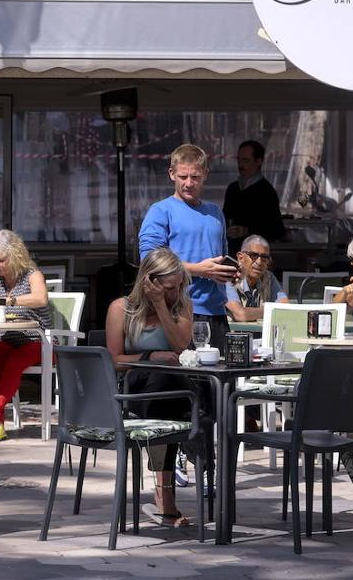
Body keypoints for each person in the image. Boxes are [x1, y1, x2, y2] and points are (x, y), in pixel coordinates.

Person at [104, 247, 195, 527]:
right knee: (164, 382)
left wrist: (162, 306)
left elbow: (181, 346)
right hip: (134, 386)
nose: (174, 292)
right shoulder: (121, 309)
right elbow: (114, 360)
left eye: (179, 285)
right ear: (149, 282)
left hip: (175, 387)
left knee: (186, 388)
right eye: (169, 287)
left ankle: (172, 475)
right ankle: (165, 492)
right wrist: (149, 356)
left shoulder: (181, 306)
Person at [138, 143, 238, 347]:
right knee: (188, 377)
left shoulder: (215, 212)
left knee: (223, 378)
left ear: (206, 175)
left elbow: (222, 256)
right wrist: (200, 270)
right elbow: (148, 263)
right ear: (172, 174)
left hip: (217, 312)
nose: (189, 183)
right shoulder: (160, 211)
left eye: (195, 177)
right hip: (176, 312)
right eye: (183, 177)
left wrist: (230, 272)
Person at [0, 229, 52, 442]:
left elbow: (41, 299)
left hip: (38, 341)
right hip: (8, 339)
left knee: (13, 363)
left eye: (1, 260)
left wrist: (9, 301)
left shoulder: (32, 275)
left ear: (15, 256)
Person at [222, 140, 285, 255]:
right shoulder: (233, 188)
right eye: (239, 160)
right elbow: (225, 217)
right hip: (232, 253)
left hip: (255, 258)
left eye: (245, 160)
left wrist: (247, 230)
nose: (240, 165)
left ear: (258, 161)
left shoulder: (266, 192)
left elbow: (276, 229)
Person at [224, 234, 288, 322]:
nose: (259, 262)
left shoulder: (268, 278)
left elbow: (286, 308)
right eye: (253, 256)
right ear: (240, 257)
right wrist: (270, 309)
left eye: (264, 257)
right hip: (232, 334)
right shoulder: (229, 277)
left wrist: (256, 313)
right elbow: (241, 315)